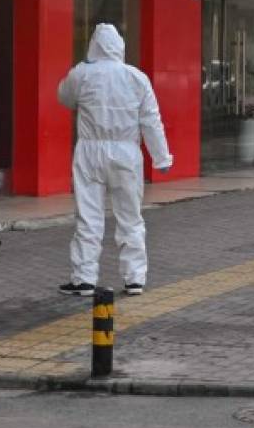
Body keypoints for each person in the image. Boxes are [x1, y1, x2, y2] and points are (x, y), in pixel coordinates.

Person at [57, 23, 172, 297]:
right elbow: (151, 121)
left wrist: (82, 66)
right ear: (120, 47)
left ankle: (84, 278)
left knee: (88, 216)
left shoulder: (82, 73)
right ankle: (135, 278)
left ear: (93, 46)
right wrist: (161, 156)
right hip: (126, 154)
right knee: (130, 217)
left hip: (89, 152)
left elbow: (64, 97)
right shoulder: (136, 78)